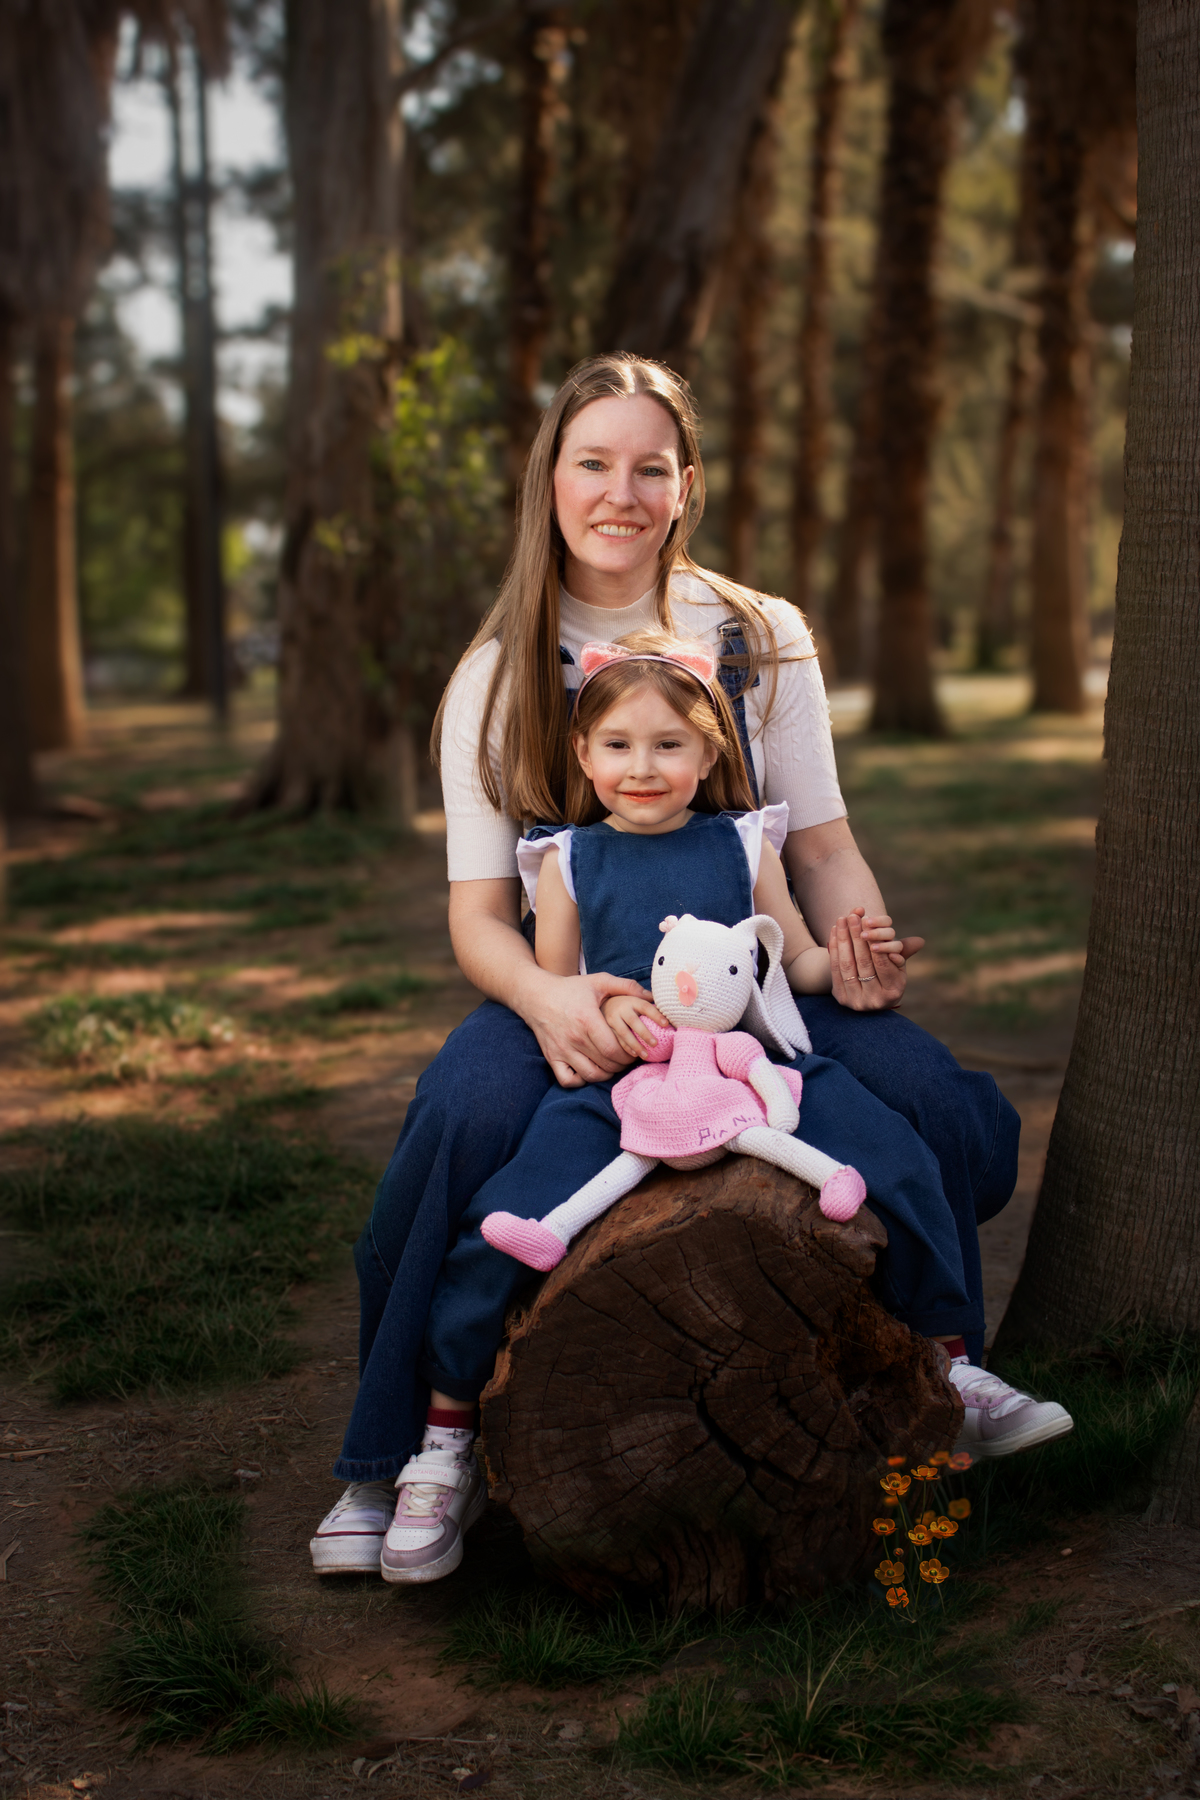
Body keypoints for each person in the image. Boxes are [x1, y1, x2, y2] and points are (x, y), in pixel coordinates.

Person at [309, 351, 1042, 1583]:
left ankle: (934, 1398)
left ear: (686, 485)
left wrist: (849, 952)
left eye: (650, 467)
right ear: (551, 478)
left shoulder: (759, 638)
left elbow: (819, 840)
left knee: (921, 1094)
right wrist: (550, 1000)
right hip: (576, 985)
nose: (620, 492)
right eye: (592, 462)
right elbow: (479, 916)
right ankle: (402, 1456)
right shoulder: (494, 676)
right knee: (461, 1112)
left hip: (757, 985)